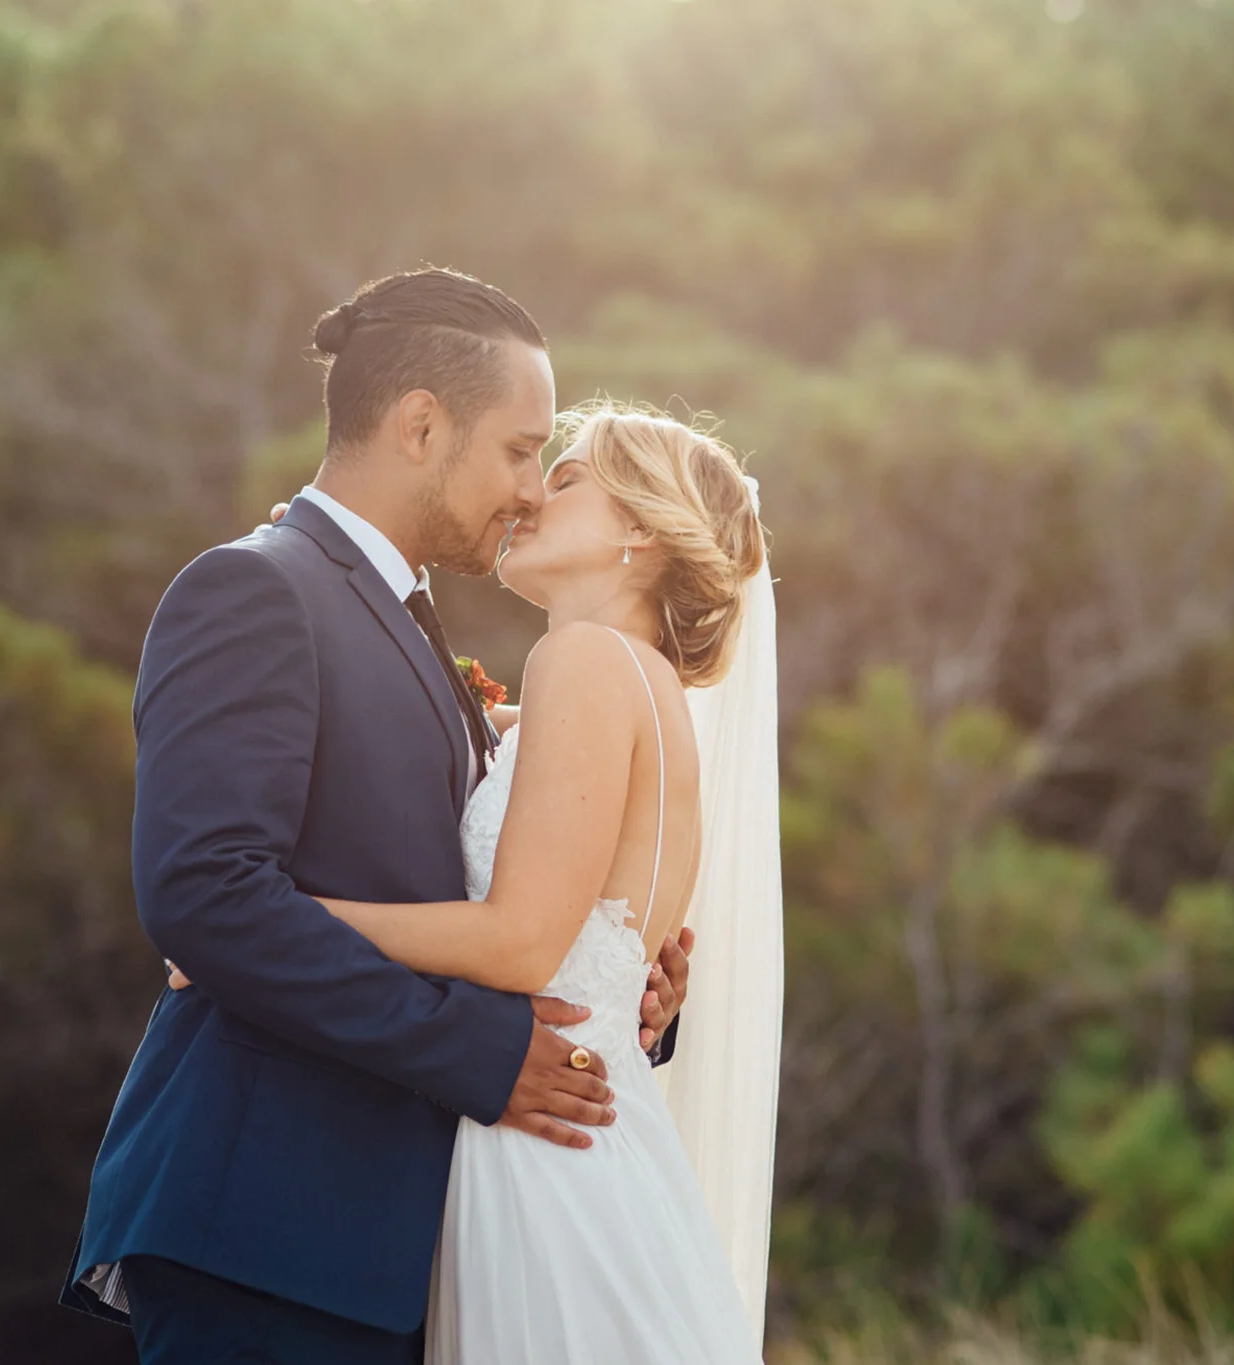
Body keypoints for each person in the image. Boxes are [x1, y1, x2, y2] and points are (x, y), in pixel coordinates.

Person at [60, 268, 694, 1364]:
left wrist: (618, 978)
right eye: (515, 450)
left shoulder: (414, 630)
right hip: (270, 1219)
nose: (530, 492)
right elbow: (204, 895)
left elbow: (468, 895)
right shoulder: (254, 591)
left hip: (404, 1233)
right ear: (418, 426)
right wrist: (477, 1052)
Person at [267, 404, 776, 1364]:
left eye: (571, 475)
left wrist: (281, 921)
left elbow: (521, 943)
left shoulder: (584, 660)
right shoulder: (652, 691)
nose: (537, 490)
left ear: (641, 526)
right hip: (603, 1136)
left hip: (544, 1149)